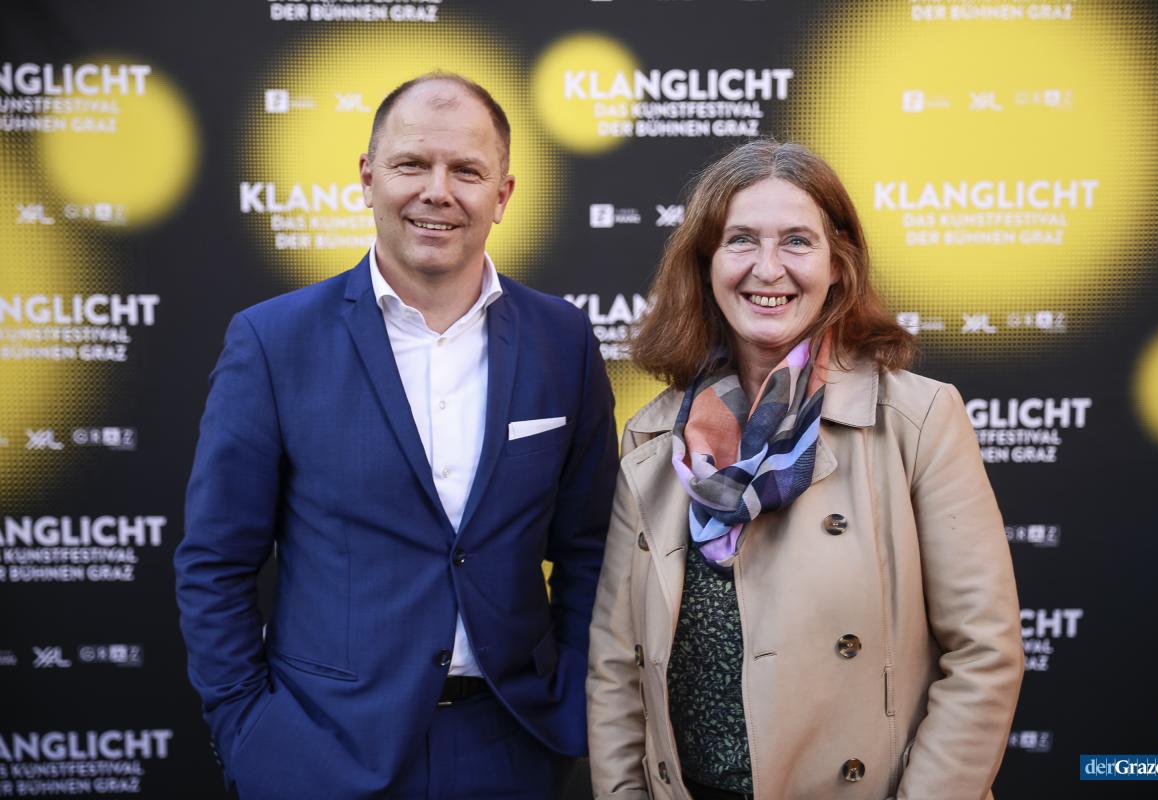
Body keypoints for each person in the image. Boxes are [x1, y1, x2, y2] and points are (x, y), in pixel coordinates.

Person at [175, 72, 618, 799]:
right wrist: (248, 733)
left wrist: (570, 701)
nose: (437, 192)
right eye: (413, 164)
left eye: (466, 170)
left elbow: (590, 548)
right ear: (368, 177)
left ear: (502, 195)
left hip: (513, 748)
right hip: (322, 753)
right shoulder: (273, 342)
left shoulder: (562, 339)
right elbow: (216, 564)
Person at [587, 140, 1023, 800]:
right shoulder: (653, 440)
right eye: (741, 241)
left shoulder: (918, 420)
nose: (768, 269)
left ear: (838, 265)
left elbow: (984, 655)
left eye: (797, 241)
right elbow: (618, 668)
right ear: (706, 264)